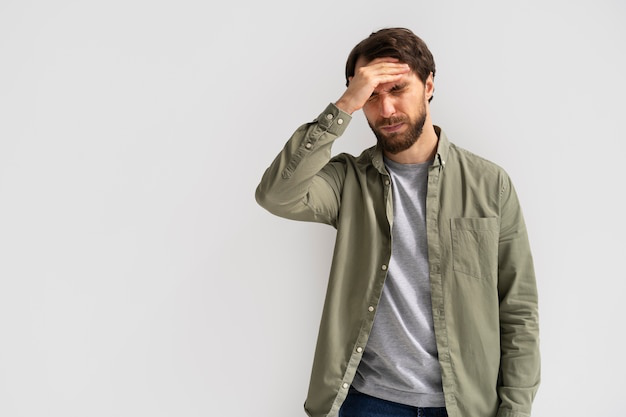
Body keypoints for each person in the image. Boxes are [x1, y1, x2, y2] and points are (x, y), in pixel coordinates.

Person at [255, 27, 540, 417]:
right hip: (367, 402)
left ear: (429, 85)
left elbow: (518, 310)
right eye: (372, 95)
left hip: (464, 406)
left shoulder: (490, 185)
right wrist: (342, 106)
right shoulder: (346, 181)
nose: (385, 109)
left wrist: (515, 410)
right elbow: (276, 195)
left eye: (397, 89)